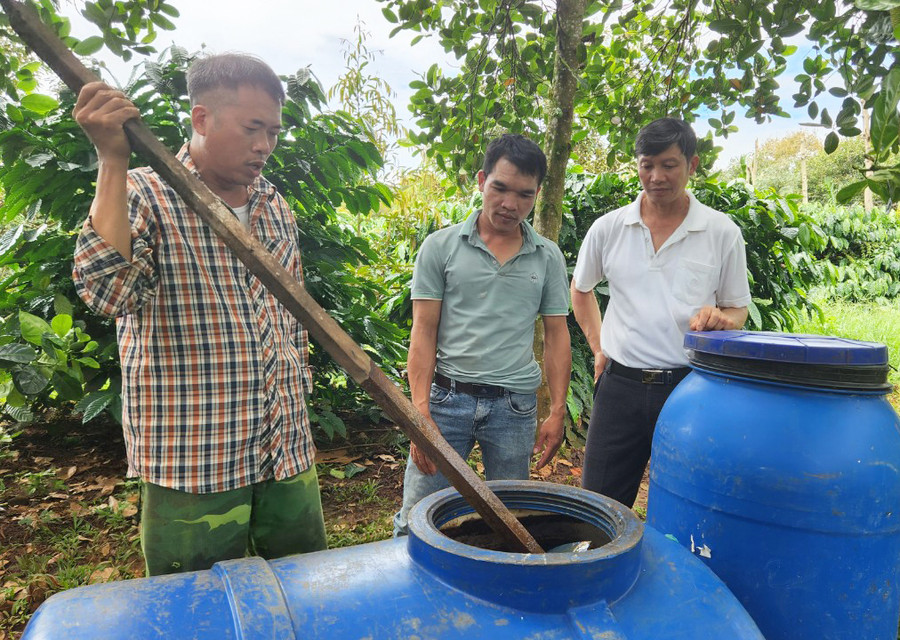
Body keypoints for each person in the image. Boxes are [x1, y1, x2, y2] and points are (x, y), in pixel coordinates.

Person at [72, 53, 327, 575]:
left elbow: (289, 315)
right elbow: (106, 293)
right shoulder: (145, 192)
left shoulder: (273, 204)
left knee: (306, 587)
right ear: (202, 118)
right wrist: (112, 161)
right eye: (253, 127)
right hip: (195, 457)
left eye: (274, 132)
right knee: (194, 609)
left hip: (285, 447)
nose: (265, 146)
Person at [393, 134, 572, 535]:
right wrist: (418, 413)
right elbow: (423, 331)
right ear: (481, 180)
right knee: (416, 519)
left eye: (525, 194)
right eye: (500, 187)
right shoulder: (441, 247)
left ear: (538, 194)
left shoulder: (547, 257)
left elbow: (557, 334)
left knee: (508, 521)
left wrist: (557, 409)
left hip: (514, 410)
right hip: (445, 402)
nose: (510, 204)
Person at [570, 117, 751, 508]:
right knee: (598, 504)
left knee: (689, 502)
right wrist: (599, 349)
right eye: (646, 164)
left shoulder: (720, 232)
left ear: (692, 165)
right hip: (620, 386)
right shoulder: (609, 228)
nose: (656, 176)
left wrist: (724, 320)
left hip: (691, 385)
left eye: (669, 165)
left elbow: (738, 309)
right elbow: (580, 290)